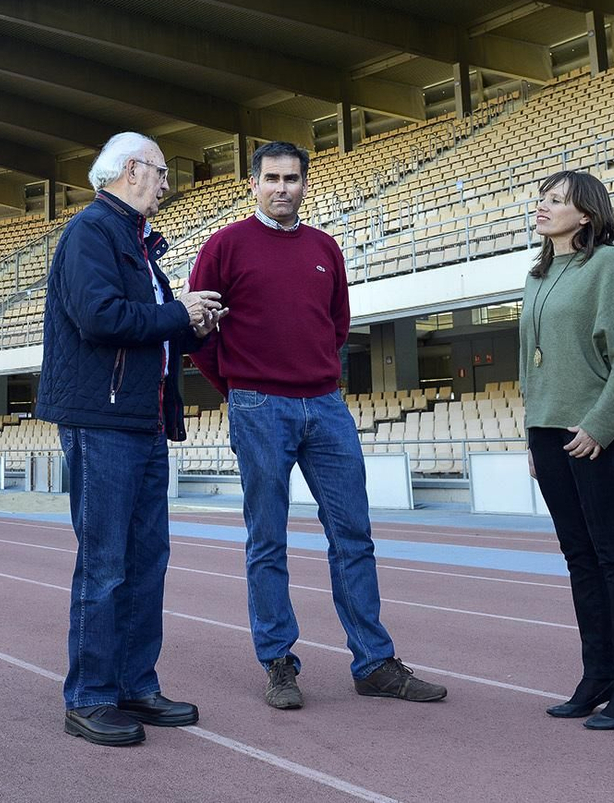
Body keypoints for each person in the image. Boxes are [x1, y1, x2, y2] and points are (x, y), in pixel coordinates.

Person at [188, 141, 447, 710]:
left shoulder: (326, 247)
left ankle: (374, 662)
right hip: (260, 407)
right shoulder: (224, 246)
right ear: (253, 184)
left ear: (306, 183)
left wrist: (312, 378)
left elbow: (335, 327)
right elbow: (197, 331)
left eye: (293, 178)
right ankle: (279, 662)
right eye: (272, 178)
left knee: (353, 536)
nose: (283, 188)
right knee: (267, 540)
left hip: (326, 406)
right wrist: (237, 387)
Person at [37, 131, 224, 747]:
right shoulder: (92, 233)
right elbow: (100, 318)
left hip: (140, 422)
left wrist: (194, 322)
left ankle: (136, 684)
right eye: (163, 173)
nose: (167, 184)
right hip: (103, 422)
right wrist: (178, 312)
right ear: (132, 169)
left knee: (146, 563)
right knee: (106, 565)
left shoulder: (138, 244)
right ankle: (90, 697)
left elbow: (156, 330)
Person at [517, 170, 614, 730]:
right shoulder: (536, 274)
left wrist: (599, 425)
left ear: (587, 215)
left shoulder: (608, 266)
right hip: (549, 434)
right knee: (579, 559)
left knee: (613, 557)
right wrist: (534, 430)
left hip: (598, 434)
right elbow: (531, 363)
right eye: (542, 198)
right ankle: (595, 675)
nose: (543, 207)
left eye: (557, 201)